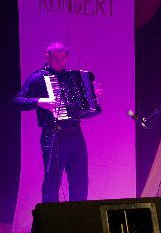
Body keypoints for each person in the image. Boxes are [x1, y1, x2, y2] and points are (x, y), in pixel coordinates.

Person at [14, 42, 100, 203]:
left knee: (80, 181)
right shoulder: (38, 77)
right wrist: (40, 101)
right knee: (52, 182)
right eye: (56, 59)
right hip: (53, 134)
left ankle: (79, 216)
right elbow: (17, 101)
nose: (60, 63)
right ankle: (52, 217)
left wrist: (91, 96)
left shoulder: (72, 78)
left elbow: (80, 108)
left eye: (63, 59)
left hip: (75, 134)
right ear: (47, 57)